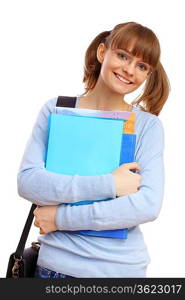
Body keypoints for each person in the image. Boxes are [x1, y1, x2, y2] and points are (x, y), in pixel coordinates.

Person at [17, 21, 170, 278]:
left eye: (142, 66)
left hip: (120, 272)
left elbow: (147, 205)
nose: (129, 70)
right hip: (54, 268)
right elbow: (28, 182)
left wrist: (61, 218)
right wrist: (110, 184)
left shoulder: (147, 126)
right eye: (123, 56)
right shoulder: (57, 109)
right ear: (102, 53)